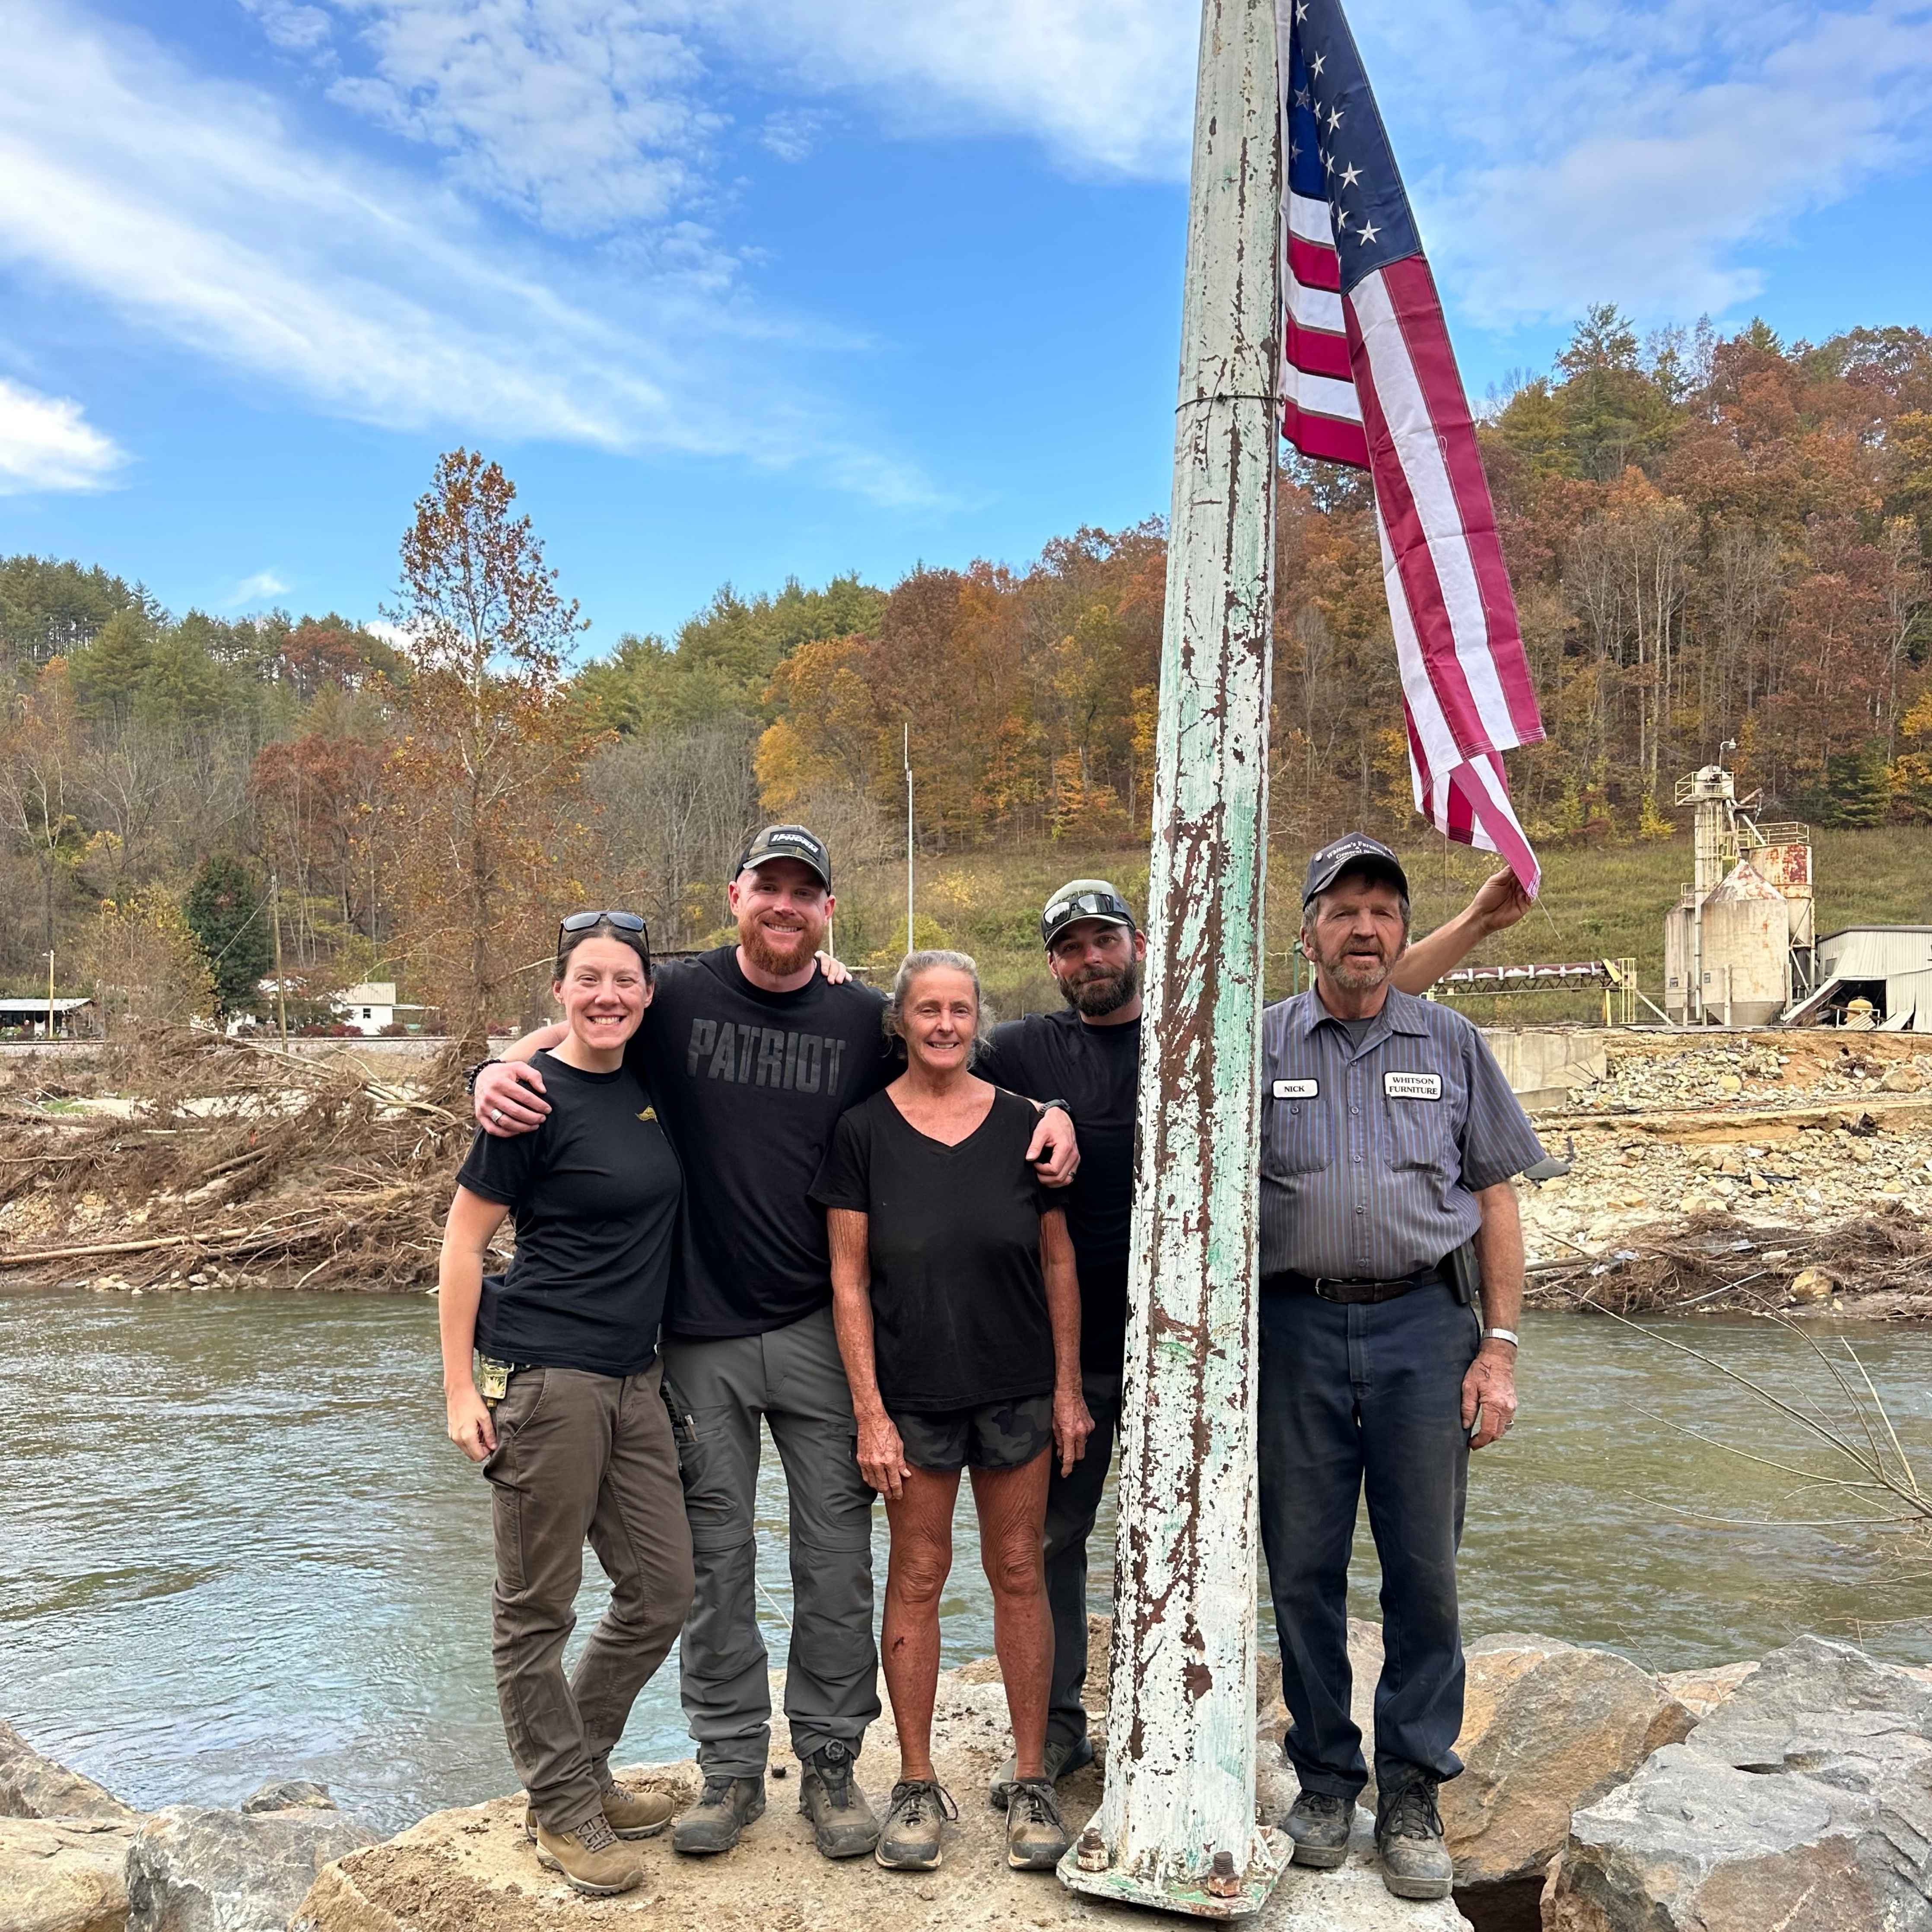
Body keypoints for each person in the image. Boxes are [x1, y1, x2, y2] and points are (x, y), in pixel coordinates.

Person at [468, 827, 1077, 1862]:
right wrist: (499, 1065)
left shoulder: (855, 1014)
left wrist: (1053, 1108)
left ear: (827, 911)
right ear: (736, 896)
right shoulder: (678, 996)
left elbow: (955, 1053)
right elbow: (585, 1022)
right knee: (712, 1566)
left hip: (817, 1332)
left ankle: (833, 1764)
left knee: (837, 1561)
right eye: (769, 888)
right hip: (696, 1334)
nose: (786, 906)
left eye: (806, 892)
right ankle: (731, 1769)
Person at [972, 865, 1532, 1807]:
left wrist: (1474, 923)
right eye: (1069, 947)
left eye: (1104, 938)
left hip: (1308, 1335)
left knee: (1387, 1564)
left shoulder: (1219, 1039)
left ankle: (1397, 1785)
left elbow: (1377, 995)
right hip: (1137, 1340)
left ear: (1141, 947)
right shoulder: (1070, 1048)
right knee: (1218, 1556)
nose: (1089, 957)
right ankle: (1105, 1737)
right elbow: (928, 1055)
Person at [1256, 835, 1544, 1903]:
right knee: (1302, 1568)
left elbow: (1496, 1199)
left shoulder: (1452, 1042)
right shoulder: (1262, 1044)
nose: (1365, 928)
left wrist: (1499, 1349)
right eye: (1343, 910)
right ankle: (1326, 1779)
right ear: (1307, 933)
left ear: (1400, 930)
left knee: (1423, 1567)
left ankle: (1413, 1785)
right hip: (1292, 1334)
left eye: (1383, 910)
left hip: (1427, 1332)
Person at [812, 950, 1091, 1875]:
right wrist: (869, 1412)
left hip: (1014, 1383)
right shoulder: (860, 1131)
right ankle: (916, 1783)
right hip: (913, 1390)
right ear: (900, 1021)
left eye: (959, 1009)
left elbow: (1058, 1263)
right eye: (926, 1009)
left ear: (980, 1018)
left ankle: (1028, 1781)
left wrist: (1064, 1389)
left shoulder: (1023, 1126)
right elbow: (847, 1280)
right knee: (918, 1577)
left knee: (1020, 1567)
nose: (943, 1024)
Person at [438, 912, 694, 1900]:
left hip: (636, 1381)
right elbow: (463, 1246)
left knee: (661, 1590)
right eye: (587, 979)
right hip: (544, 1380)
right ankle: (561, 1807)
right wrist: (460, 1386)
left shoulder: (646, 1081)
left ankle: (574, 1774)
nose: (606, 995)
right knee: (535, 1609)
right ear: (559, 991)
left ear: (646, 992)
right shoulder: (526, 1099)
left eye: (623, 979)